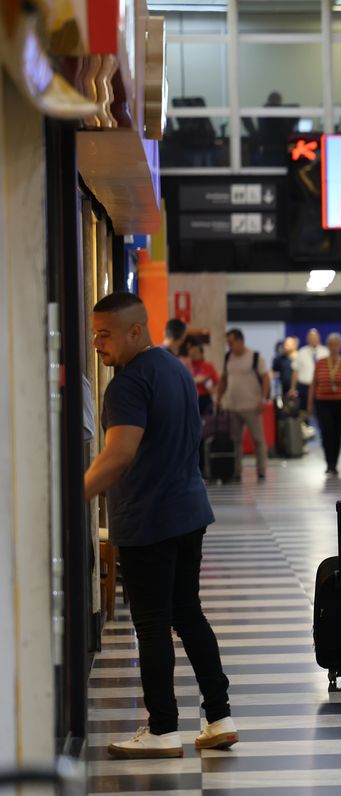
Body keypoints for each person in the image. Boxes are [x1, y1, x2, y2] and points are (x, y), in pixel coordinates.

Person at [85, 292, 236, 758]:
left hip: (148, 518)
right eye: (94, 333)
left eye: (105, 334)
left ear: (135, 331)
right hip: (188, 511)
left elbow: (119, 454)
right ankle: (219, 717)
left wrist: (72, 495)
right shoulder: (174, 368)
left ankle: (163, 728)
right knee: (188, 614)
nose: (96, 343)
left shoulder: (128, 384)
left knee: (151, 625)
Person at [217, 329, 272, 481]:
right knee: (235, 441)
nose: (229, 346)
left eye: (231, 342)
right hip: (233, 407)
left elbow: (265, 379)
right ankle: (236, 471)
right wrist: (219, 398)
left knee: (258, 440)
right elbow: (223, 379)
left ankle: (261, 471)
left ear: (240, 341)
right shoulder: (228, 357)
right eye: (228, 343)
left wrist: (263, 399)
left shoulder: (255, 357)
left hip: (252, 407)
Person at [308, 333, 341, 476]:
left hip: (340, 403)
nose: (334, 347)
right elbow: (313, 384)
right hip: (322, 402)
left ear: (340, 346)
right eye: (331, 344)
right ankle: (329, 463)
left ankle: (334, 463)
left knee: (337, 433)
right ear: (327, 346)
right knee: (326, 431)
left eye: (336, 345)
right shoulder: (320, 363)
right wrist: (310, 403)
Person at [293, 329, 329, 422]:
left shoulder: (325, 352)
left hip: (320, 387)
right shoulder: (302, 351)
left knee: (321, 412)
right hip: (304, 387)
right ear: (307, 339)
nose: (313, 340)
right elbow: (296, 371)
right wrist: (292, 388)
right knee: (303, 413)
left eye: (315, 338)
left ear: (319, 338)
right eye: (311, 338)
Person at [186, 342, 219, 418]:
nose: (193, 354)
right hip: (191, 399)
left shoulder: (208, 366)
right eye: (191, 351)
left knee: (207, 422)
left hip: (205, 398)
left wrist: (212, 390)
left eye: (196, 352)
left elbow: (217, 382)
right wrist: (196, 380)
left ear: (201, 353)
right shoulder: (186, 366)